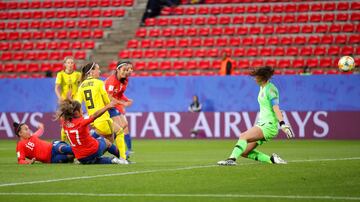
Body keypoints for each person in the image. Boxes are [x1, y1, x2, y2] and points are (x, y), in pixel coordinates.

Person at [217, 67, 294, 166]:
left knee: (243, 136)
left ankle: (231, 159)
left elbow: (276, 108)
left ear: (262, 77)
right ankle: (272, 159)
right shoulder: (262, 87)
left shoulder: (270, 90)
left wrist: (282, 124)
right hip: (263, 123)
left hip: (268, 125)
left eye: (256, 76)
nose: (254, 79)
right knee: (244, 152)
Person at [74, 62, 127, 160]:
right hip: (102, 118)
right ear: (91, 72)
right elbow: (107, 100)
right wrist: (110, 105)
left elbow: (77, 103)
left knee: (107, 141)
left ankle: (88, 152)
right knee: (119, 132)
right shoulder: (99, 83)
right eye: (97, 69)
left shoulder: (82, 86)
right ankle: (123, 158)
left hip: (92, 119)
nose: (99, 71)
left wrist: (81, 116)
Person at [56, 99, 128, 164]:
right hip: (93, 150)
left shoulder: (64, 123)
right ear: (77, 112)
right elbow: (95, 115)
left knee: (91, 159)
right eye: (81, 109)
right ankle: (122, 158)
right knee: (106, 142)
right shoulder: (82, 122)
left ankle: (112, 160)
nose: (82, 111)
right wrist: (108, 106)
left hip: (80, 157)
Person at [104, 61, 134, 158]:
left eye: (127, 70)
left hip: (112, 105)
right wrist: (123, 103)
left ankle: (106, 144)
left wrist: (126, 99)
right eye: (124, 70)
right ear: (117, 70)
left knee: (124, 125)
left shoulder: (124, 80)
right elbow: (109, 97)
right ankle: (121, 153)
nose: (126, 72)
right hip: (105, 106)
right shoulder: (112, 81)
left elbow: (119, 94)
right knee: (120, 129)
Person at [54, 56, 81, 142]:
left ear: (74, 64)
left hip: (75, 101)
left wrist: (79, 96)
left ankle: (78, 140)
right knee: (64, 122)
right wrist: (60, 98)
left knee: (79, 120)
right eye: (68, 63)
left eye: (71, 63)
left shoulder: (78, 74)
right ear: (65, 64)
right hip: (65, 101)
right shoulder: (60, 74)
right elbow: (57, 87)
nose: (70, 64)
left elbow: (81, 86)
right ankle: (63, 142)